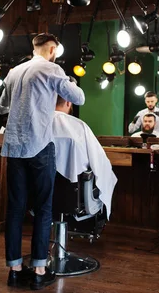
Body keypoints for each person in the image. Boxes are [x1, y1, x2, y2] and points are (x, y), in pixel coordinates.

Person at [0, 33, 85, 290]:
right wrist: (66, 81)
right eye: (55, 50)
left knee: (15, 209)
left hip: (13, 147)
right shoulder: (52, 68)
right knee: (44, 208)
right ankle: (38, 269)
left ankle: (14, 270)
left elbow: (2, 107)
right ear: (52, 49)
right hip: (39, 146)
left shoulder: (14, 72)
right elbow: (78, 98)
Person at [53, 86, 118, 218]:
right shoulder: (79, 126)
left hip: (39, 191)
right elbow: (100, 162)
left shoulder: (37, 123)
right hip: (73, 193)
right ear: (68, 102)